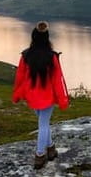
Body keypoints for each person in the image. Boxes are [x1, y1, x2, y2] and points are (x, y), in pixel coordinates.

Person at [12, 21, 70, 169]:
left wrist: (17, 94)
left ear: (33, 38)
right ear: (47, 39)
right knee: (43, 124)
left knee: (43, 123)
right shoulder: (52, 57)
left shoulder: (26, 55)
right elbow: (57, 80)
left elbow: (20, 77)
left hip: (31, 96)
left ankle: (51, 148)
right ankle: (39, 155)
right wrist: (62, 100)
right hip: (47, 97)